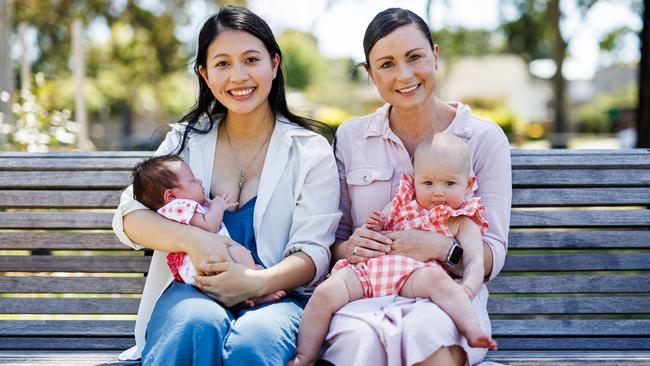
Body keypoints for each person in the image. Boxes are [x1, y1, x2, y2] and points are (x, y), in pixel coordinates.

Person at [111, 6, 341, 365]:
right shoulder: (185, 142)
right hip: (193, 290)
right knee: (196, 324)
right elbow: (129, 218)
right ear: (204, 73)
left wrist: (255, 282)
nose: (239, 76)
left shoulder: (310, 150)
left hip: (277, 296)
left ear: (274, 64)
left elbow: (313, 253)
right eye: (222, 64)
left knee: (255, 341)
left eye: (251, 59)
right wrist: (196, 240)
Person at [321, 8, 511, 366]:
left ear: (435, 56)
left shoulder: (483, 139)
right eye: (387, 64)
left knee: (425, 335)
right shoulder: (351, 137)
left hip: (447, 298)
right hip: (365, 294)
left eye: (414, 57)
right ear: (370, 75)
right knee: (360, 341)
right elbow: (335, 240)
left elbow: (493, 251)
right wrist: (351, 247)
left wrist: (443, 248)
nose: (404, 75)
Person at [290, 133, 497, 365]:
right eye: (428, 183)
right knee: (324, 293)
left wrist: (468, 288)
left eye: (449, 183)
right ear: (414, 180)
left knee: (440, 282)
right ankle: (305, 356)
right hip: (373, 270)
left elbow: (475, 261)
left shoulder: (460, 220)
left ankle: (471, 331)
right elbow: (377, 227)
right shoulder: (402, 202)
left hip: (414, 275)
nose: (438, 192)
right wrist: (375, 225)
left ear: (468, 184)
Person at [131, 155, 286, 307]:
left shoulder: (176, 208)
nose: (199, 181)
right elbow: (208, 226)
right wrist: (217, 206)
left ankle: (245, 297)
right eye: (193, 181)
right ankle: (253, 293)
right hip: (202, 263)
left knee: (257, 269)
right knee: (241, 253)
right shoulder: (180, 206)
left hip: (202, 266)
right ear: (170, 195)